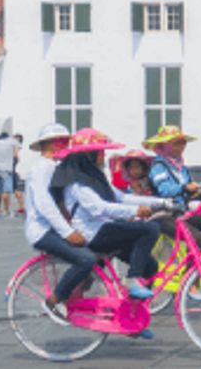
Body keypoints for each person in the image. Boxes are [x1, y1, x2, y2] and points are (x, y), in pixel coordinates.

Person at [49, 128, 165, 336]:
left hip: (105, 228)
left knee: (151, 265)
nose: (103, 156)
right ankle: (132, 279)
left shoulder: (93, 176)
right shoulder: (77, 181)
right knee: (149, 229)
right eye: (100, 152)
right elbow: (98, 208)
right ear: (88, 155)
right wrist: (135, 211)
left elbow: (120, 198)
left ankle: (130, 318)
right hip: (92, 233)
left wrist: (162, 202)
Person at [23, 124, 94, 314]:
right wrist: (68, 232)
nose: (67, 145)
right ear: (53, 144)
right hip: (42, 231)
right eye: (64, 142)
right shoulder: (42, 169)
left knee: (97, 250)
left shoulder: (55, 167)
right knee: (86, 260)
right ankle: (55, 299)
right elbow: (44, 203)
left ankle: (75, 296)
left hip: (54, 228)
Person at [144, 125, 201, 254]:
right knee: (195, 237)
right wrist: (184, 188)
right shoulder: (158, 166)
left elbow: (189, 192)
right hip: (163, 215)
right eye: (177, 143)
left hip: (181, 212)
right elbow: (164, 190)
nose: (182, 146)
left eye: (183, 143)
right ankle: (192, 270)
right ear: (164, 145)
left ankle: (199, 261)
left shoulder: (182, 167)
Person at [0, 131, 17, 218]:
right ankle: (6, 210)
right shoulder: (10, 142)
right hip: (7, 169)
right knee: (6, 191)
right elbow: (19, 145)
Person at [12, 133, 27, 215]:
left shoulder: (15, 147)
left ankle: (22, 206)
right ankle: (22, 206)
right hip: (11, 168)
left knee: (15, 189)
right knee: (15, 189)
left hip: (10, 169)